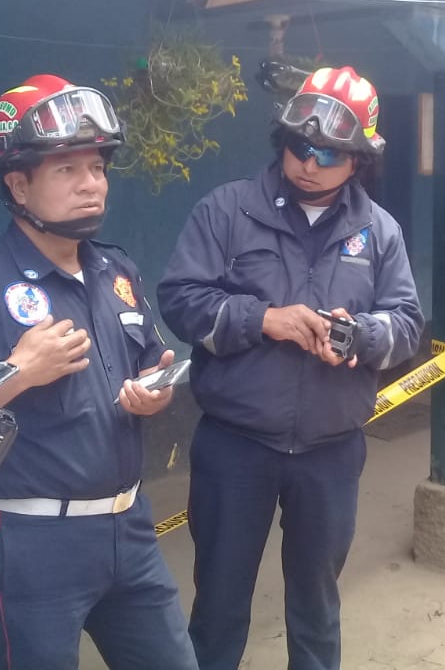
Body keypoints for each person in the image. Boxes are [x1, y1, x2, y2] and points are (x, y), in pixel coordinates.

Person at [0, 74, 197, 670]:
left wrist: (153, 395)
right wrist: (17, 371)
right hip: (32, 545)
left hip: (130, 529)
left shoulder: (118, 270)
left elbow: (150, 361)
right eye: (67, 170)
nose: (91, 185)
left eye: (98, 168)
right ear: (18, 183)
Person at [158, 65, 424, 670]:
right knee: (220, 603)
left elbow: (407, 321)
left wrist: (362, 335)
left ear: (359, 159)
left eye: (328, 154)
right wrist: (263, 319)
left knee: (317, 604)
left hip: (331, 452)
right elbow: (180, 299)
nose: (308, 162)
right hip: (235, 448)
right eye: (299, 147)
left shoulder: (379, 232)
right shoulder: (226, 210)